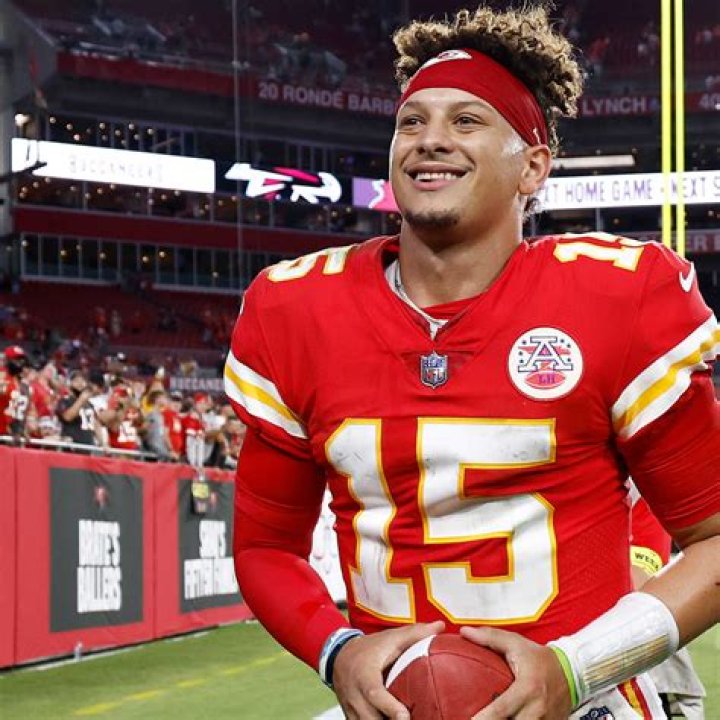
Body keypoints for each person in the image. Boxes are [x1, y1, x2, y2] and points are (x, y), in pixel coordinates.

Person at [224, 5, 720, 720]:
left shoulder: (618, 295)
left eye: (466, 121)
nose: (430, 139)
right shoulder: (295, 308)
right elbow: (266, 546)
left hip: (587, 700)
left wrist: (576, 669)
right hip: (397, 706)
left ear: (533, 167)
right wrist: (337, 650)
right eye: (411, 122)